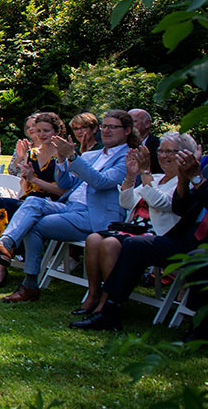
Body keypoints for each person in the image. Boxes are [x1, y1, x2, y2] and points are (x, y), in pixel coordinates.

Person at [0, 109, 136, 303]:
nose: (106, 131)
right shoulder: (94, 155)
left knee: (32, 224)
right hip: (69, 206)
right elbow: (67, 183)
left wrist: (73, 158)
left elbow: (101, 182)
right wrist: (61, 160)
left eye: (113, 127)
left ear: (127, 131)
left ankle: (28, 283)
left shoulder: (127, 157)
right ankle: (6, 244)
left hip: (94, 215)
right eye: (105, 126)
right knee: (32, 200)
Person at [71, 148, 208, 339]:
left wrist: (197, 180)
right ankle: (109, 312)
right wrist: (185, 179)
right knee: (136, 245)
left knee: (199, 259)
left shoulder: (202, 176)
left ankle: (202, 326)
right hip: (187, 240)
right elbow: (181, 207)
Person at [73, 132, 190, 316]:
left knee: (109, 243)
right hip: (133, 228)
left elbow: (160, 202)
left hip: (158, 235)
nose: (164, 155)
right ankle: (94, 293)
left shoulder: (183, 183)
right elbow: (127, 202)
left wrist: (145, 172)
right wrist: (130, 175)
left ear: (185, 154)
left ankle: (109, 302)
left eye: (170, 151)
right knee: (94, 239)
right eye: (161, 151)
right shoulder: (157, 178)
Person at [0, 112, 66, 287]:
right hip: (28, 199)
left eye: (46, 130)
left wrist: (34, 180)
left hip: (50, 203)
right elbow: (24, 186)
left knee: (7, 206)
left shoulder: (62, 156)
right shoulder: (34, 153)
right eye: (38, 130)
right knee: (3, 204)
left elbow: (62, 191)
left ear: (57, 132)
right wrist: (23, 164)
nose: (41, 135)